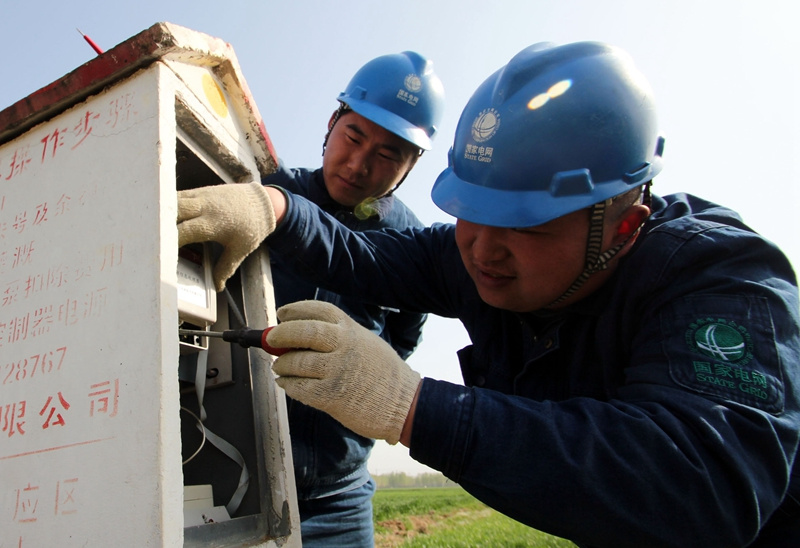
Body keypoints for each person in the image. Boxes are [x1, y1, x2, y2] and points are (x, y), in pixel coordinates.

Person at [178, 41, 800, 547]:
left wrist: (408, 406)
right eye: (468, 211)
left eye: (526, 227)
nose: (481, 250)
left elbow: (704, 488)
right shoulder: (472, 253)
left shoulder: (720, 277)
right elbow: (366, 256)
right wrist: (277, 207)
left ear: (622, 228)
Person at [182, 51, 444, 546]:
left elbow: (403, 341)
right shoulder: (264, 195)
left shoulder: (411, 244)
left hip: (338, 497)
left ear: (412, 165)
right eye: (354, 137)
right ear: (331, 122)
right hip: (237, 471)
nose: (359, 165)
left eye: (388, 155)